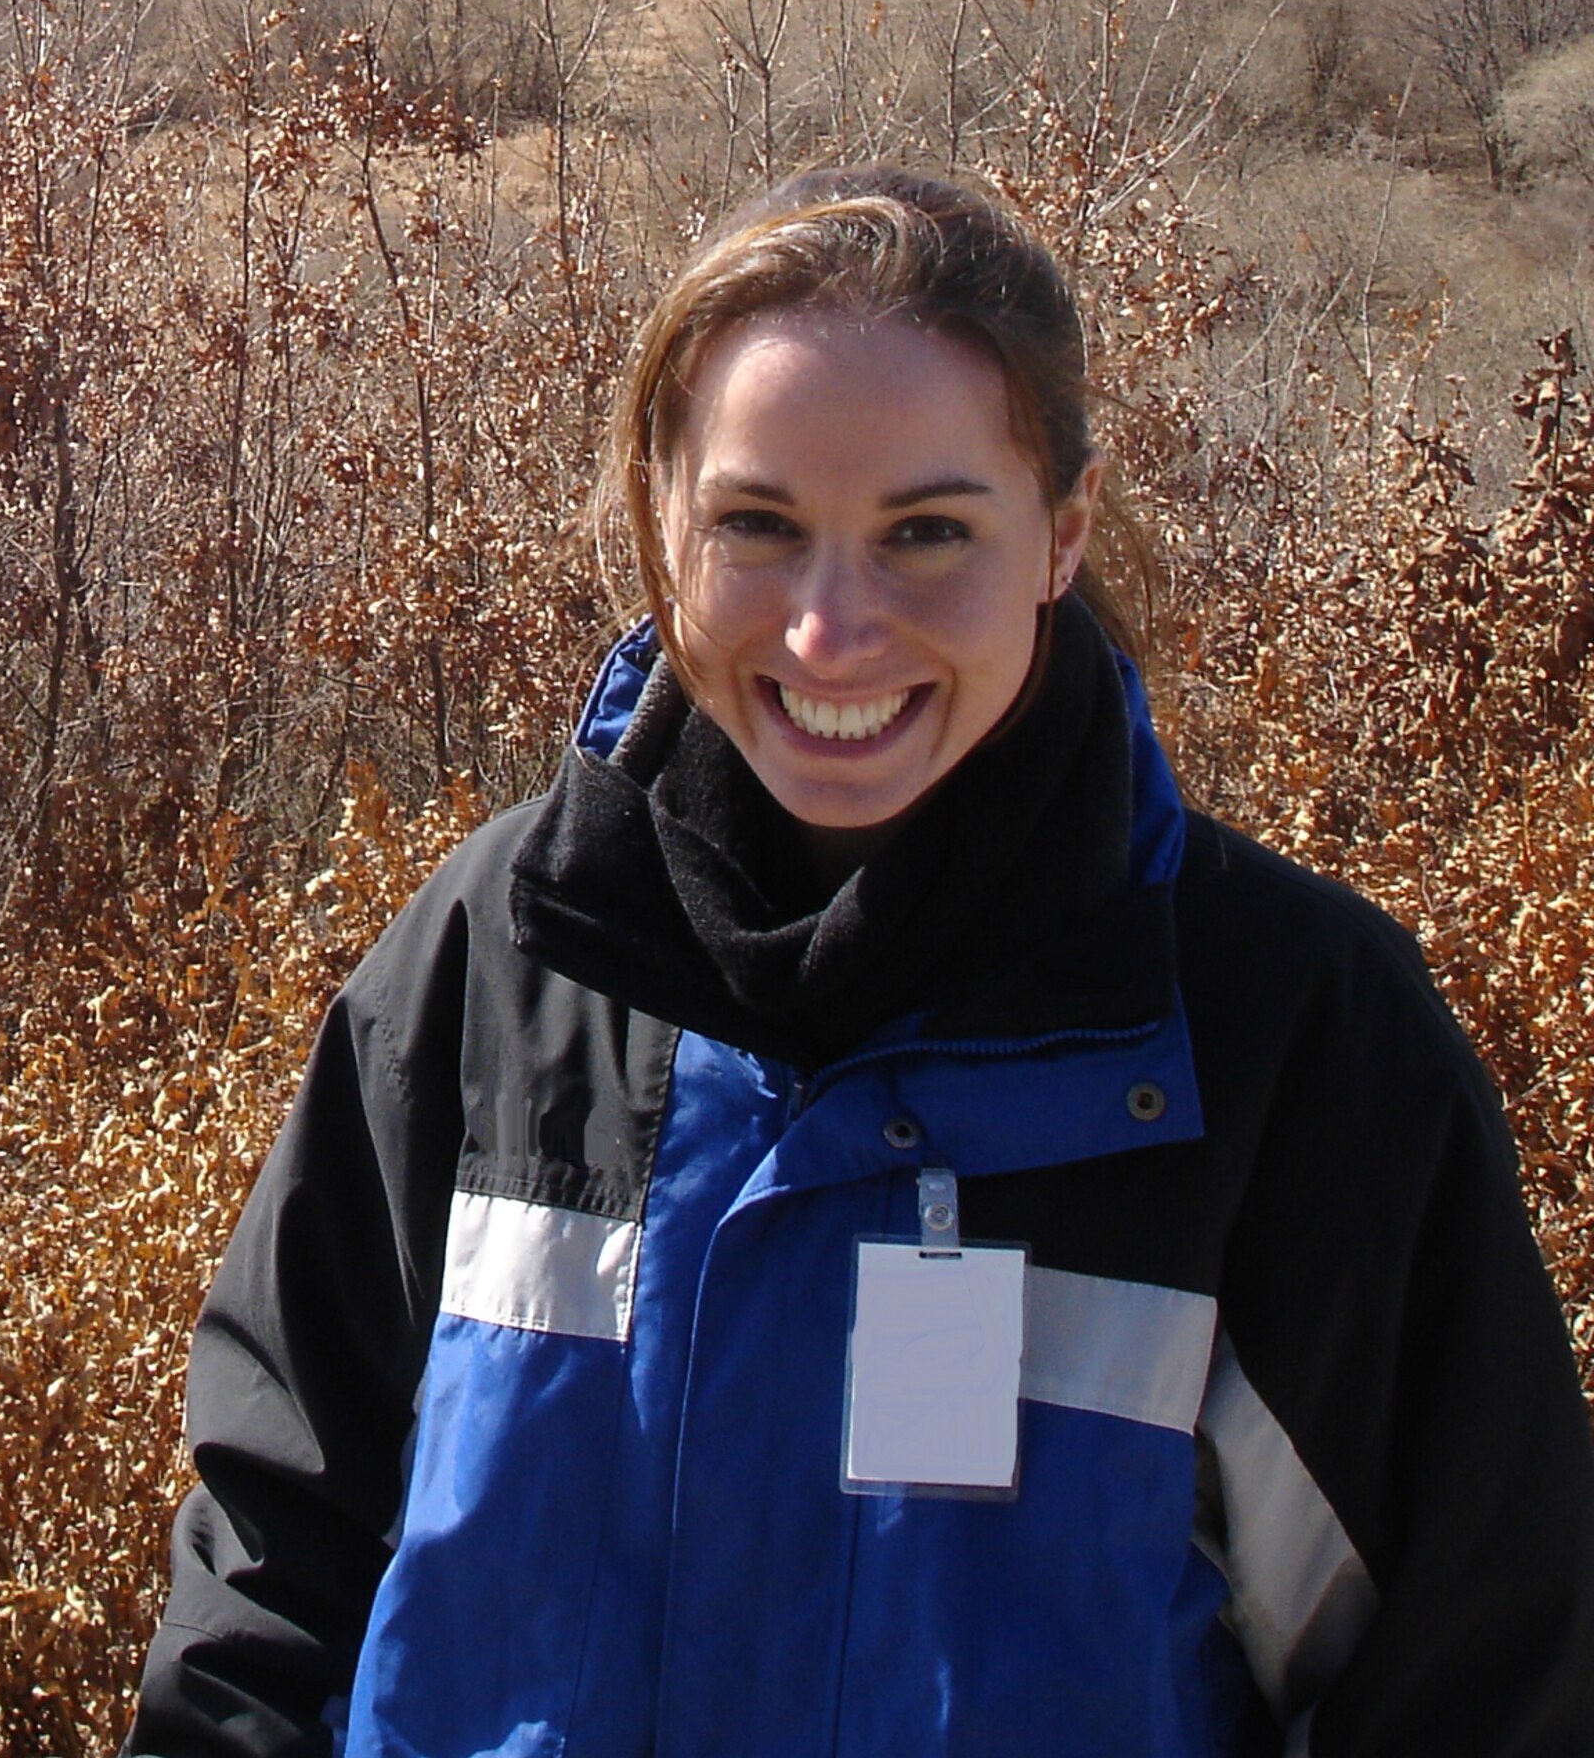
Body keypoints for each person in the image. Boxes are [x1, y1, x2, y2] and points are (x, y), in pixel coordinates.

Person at [121, 169, 1594, 1758]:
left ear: (1061, 536)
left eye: (928, 532)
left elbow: (1481, 1679)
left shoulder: (1290, 1035)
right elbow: (271, 1579)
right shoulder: (505, 963)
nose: (832, 632)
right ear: (660, 524)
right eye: (760, 525)